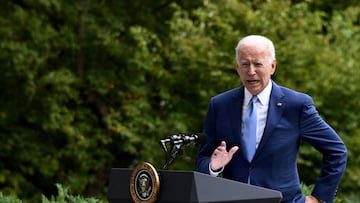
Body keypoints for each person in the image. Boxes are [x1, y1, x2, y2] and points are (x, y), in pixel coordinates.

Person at [196, 35, 347, 203]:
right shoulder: (220, 105)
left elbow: (337, 151)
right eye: (245, 64)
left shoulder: (296, 105)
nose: (251, 71)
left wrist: (319, 197)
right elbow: (203, 157)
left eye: (258, 64)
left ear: (272, 66)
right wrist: (213, 167)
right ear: (238, 68)